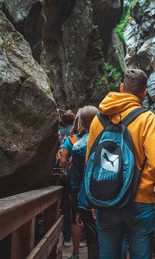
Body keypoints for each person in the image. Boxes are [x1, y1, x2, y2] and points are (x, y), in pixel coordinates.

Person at [86, 69, 155, 258]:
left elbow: (90, 162)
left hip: (106, 199)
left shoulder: (98, 119)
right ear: (144, 92)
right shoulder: (146, 118)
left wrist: (92, 197)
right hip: (139, 201)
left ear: (121, 88)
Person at [70, 105, 100, 259]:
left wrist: (75, 208)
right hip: (111, 198)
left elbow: (75, 181)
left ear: (81, 122)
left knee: (93, 242)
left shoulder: (78, 146)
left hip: (86, 200)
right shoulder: (111, 140)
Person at [60, 110, 86, 258]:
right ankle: (85, 240)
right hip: (92, 182)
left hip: (73, 181)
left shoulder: (70, 139)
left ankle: (70, 243)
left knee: (70, 209)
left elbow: (63, 162)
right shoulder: (97, 137)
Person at [56, 109, 75, 247]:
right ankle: (81, 238)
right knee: (77, 205)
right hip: (75, 172)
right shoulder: (75, 133)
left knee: (64, 206)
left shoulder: (59, 133)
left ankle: (67, 237)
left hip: (62, 173)